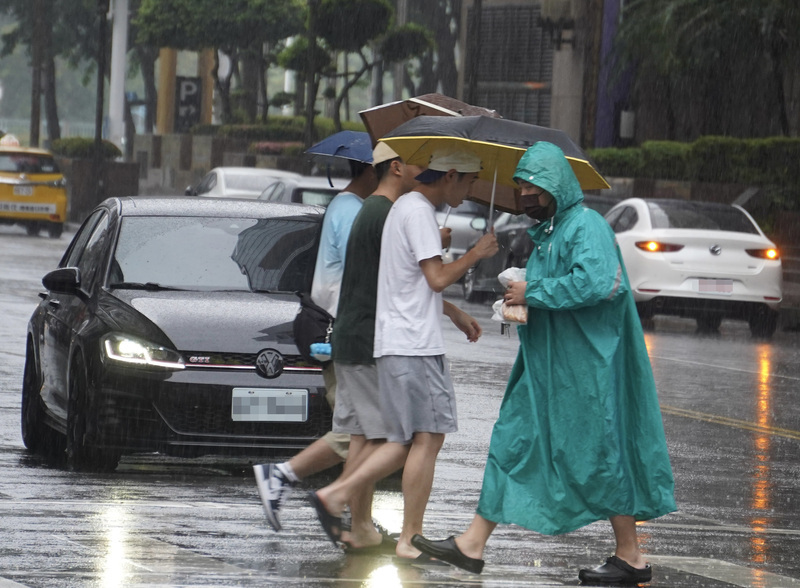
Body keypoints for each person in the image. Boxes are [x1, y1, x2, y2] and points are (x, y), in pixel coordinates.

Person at [411, 141, 676, 585]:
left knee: (598, 453)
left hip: (586, 367)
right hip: (543, 365)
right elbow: (553, 288)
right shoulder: (549, 233)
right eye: (521, 187)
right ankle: (472, 543)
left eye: (533, 186)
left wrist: (533, 292)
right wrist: (517, 298)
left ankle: (630, 556)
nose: (526, 195)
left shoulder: (587, 225)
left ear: (556, 185)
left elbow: (598, 283)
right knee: (511, 440)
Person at [307, 146, 499, 562]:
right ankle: (393, 527)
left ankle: (384, 523)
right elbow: (436, 278)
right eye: (467, 182)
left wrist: (452, 309)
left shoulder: (403, 209)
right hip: (413, 344)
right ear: (449, 175)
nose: (468, 192)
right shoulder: (416, 212)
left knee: (404, 438)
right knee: (421, 439)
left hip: (396, 340)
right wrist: (475, 254)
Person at [253, 157, 378, 531]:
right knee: (359, 432)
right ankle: (285, 475)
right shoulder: (353, 210)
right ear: (372, 171)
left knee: (361, 432)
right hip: (345, 331)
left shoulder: (344, 205)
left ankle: (358, 522)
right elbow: (367, 266)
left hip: (341, 330)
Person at [320, 143, 424, 553]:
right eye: (419, 162)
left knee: (363, 436)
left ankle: (360, 525)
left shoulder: (374, 210)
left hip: (356, 334)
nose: (426, 169)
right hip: (366, 339)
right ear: (397, 167)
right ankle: (334, 495)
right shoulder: (383, 213)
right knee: (389, 439)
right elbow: (403, 281)